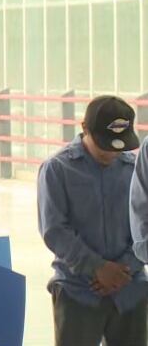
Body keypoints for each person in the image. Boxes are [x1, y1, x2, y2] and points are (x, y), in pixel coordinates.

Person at [38, 95, 147, 346]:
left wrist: (124, 270)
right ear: (84, 128)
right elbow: (54, 230)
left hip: (131, 290)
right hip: (78, 292)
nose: (112, 152)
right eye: (105, 144)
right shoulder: (57, 169)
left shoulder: (134, 168)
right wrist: (97, 267)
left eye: (119, 146)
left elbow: (144, 220)